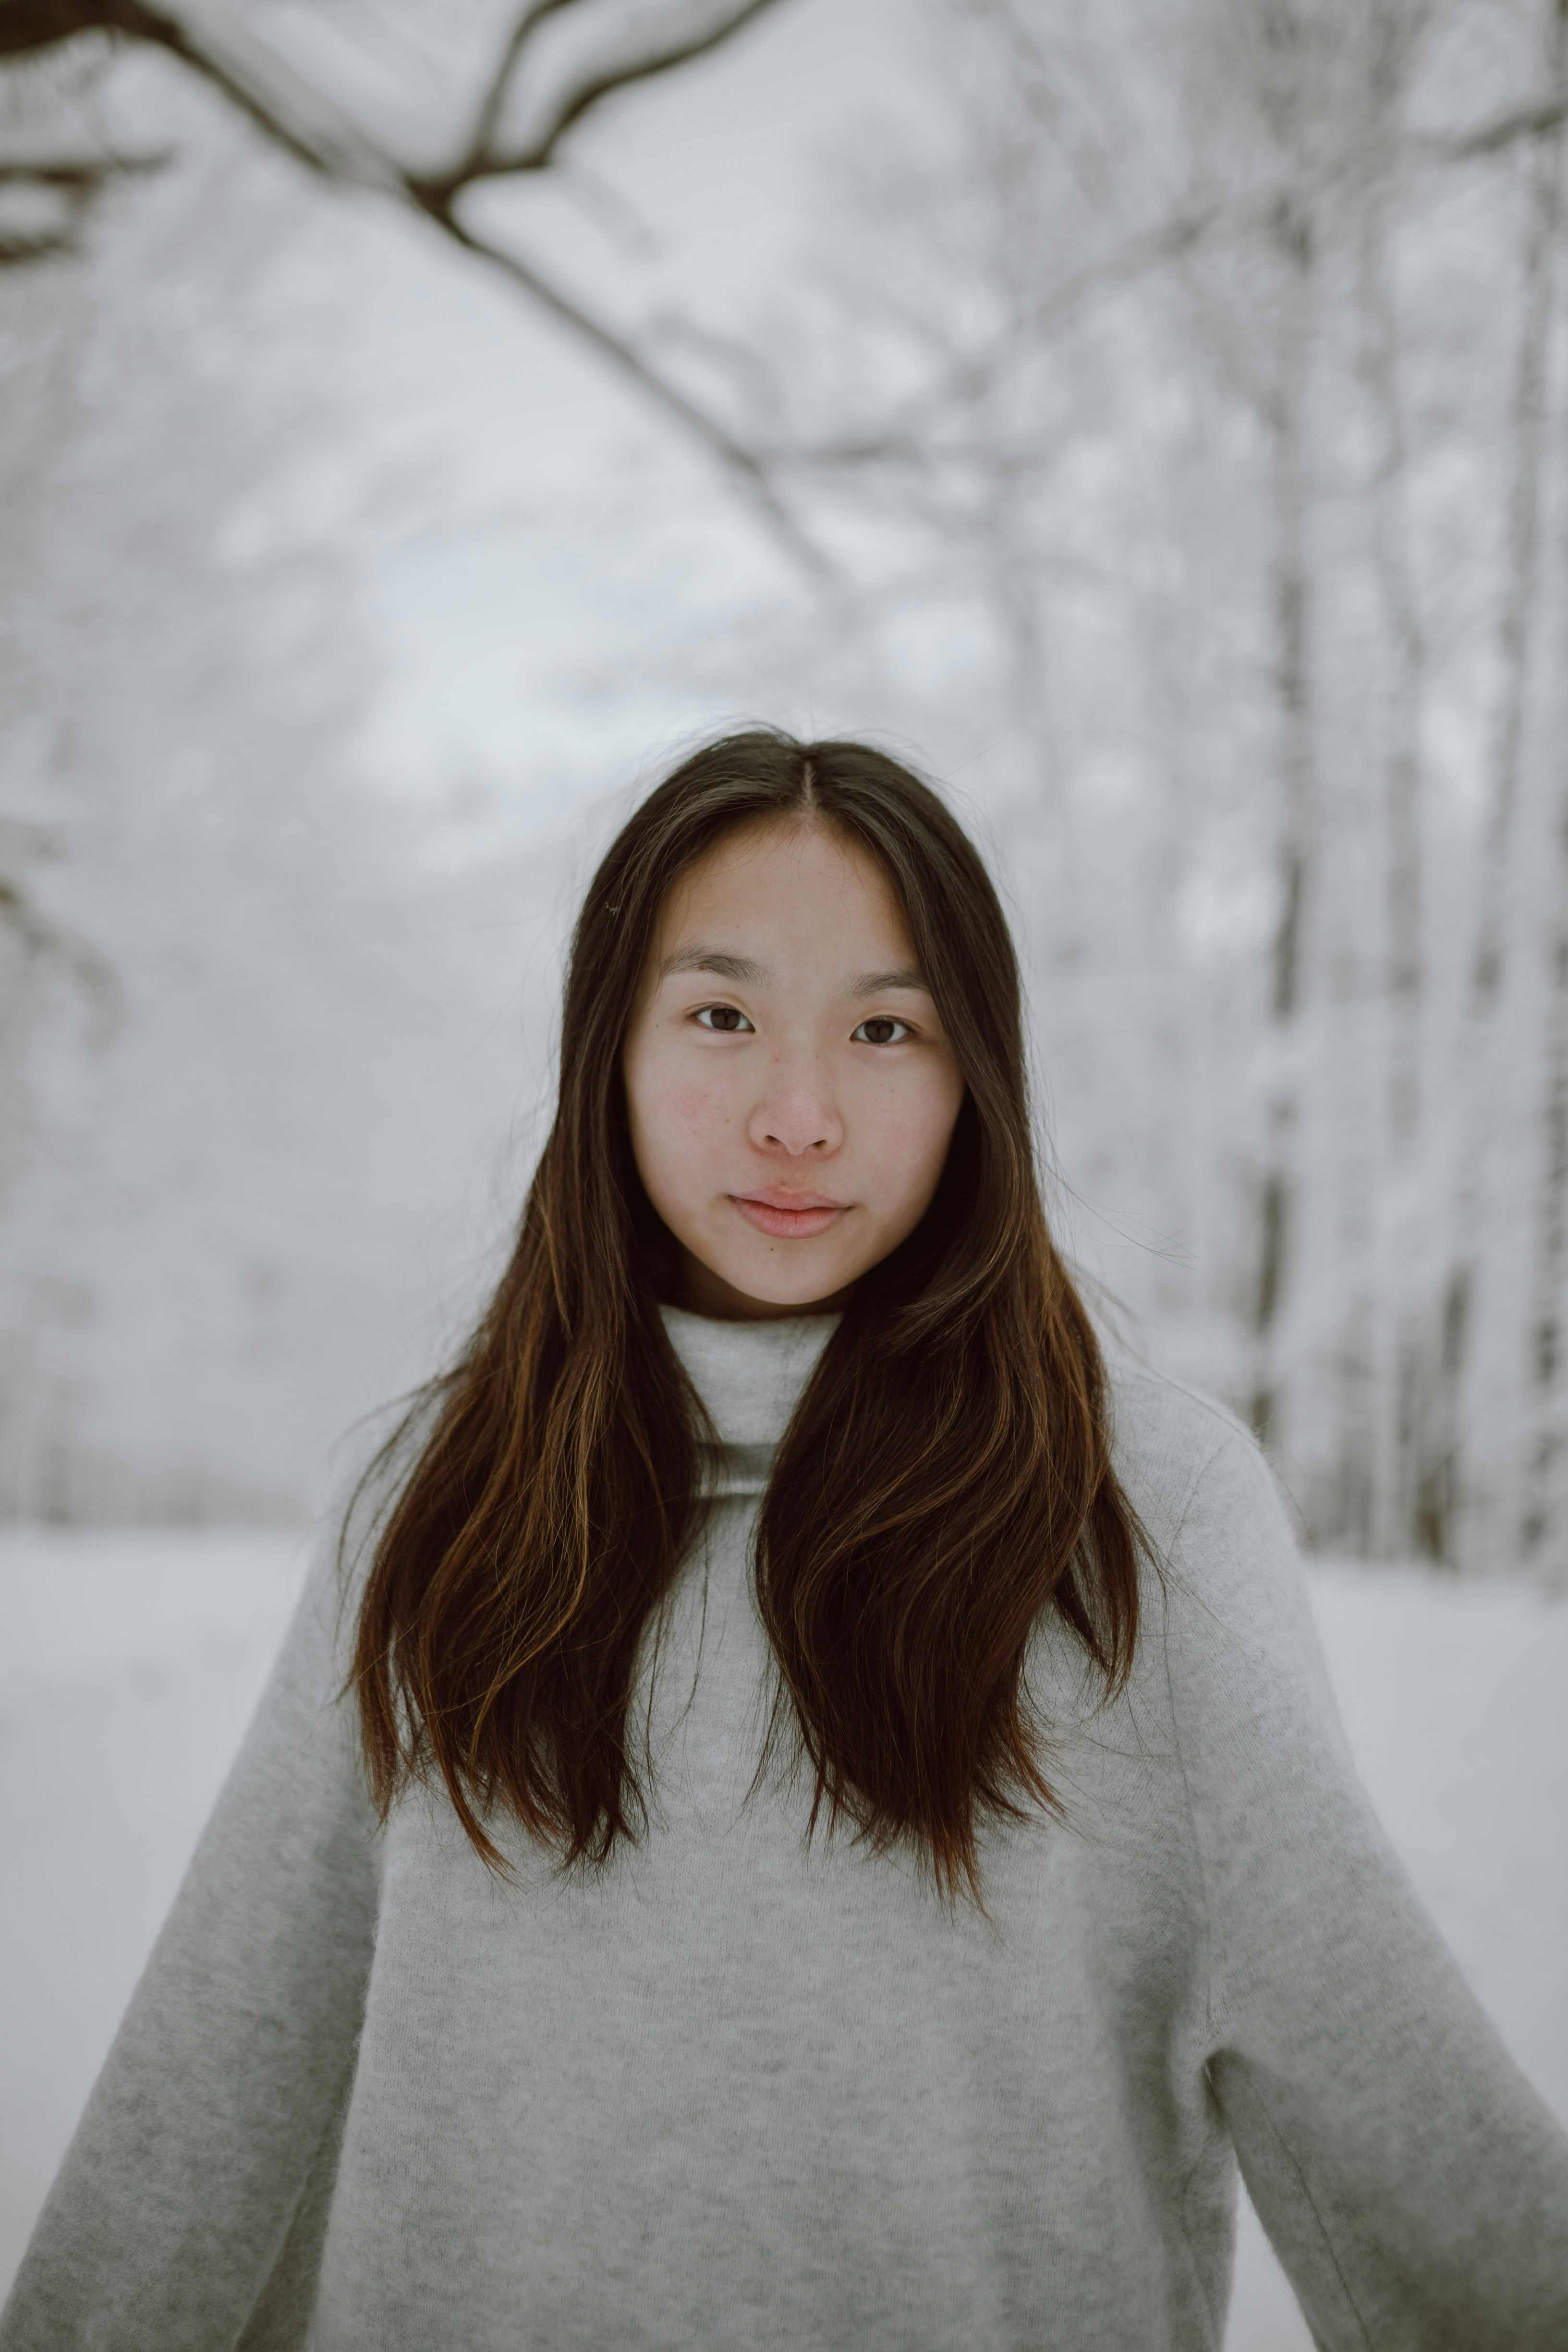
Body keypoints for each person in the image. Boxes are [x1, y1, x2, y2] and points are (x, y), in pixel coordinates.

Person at [5, 730, 1566, 2352]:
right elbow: (226, 2078)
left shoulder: (1134, 1516)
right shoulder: (437, 1495)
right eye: (723, 1017)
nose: (798, 1114)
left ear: (980, 1083)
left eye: (886, 1029)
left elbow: (1401, 2137)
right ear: (606, 1050)